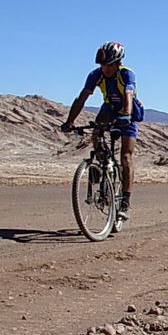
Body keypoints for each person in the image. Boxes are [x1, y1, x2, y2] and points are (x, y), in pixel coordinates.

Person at [61, 42, 138, 220]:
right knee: (97, 131)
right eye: (102, 65)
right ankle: (102, 163)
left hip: (129, 112)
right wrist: (69, 121)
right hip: (109, 109)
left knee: (126, 156)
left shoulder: (127, 74)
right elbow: (82, 97)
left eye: (109, 64)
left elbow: (128, 95)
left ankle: (125, 202)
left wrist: (126, 116)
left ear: (118, 62)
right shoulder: (96, 75)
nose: (105, 69)